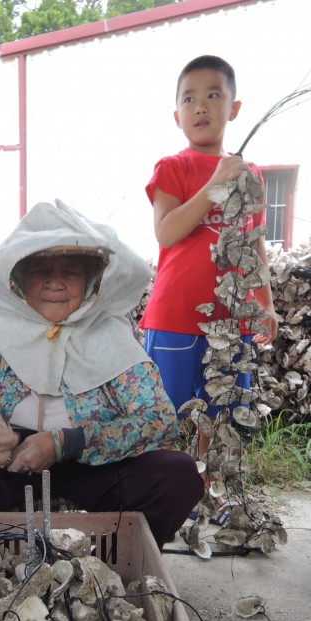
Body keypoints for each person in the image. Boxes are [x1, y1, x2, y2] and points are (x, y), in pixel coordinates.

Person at [0, 199, 204, 550]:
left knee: (177, 474)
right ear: (19, 283)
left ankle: (108, 563)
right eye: (40, 271)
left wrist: (66, 443)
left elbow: (160, 420)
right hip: (8, 462)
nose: (55, 283)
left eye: (70, 271)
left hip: (91, 465)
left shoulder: (114, 341)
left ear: (92, 282)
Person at [140, 55, 278, 472]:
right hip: (176, 316)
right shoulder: (173, 167)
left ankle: (206, 497)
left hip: (233, 320)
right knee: (164, 414)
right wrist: (214, 185)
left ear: (233, 108)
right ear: (177, 115)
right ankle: (159, 492)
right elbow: (166, 232)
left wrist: (265, 303)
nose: (200, 106)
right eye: (189, 98)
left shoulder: (249, 172)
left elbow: (255, 244)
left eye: (213, 95)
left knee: (222, 416)